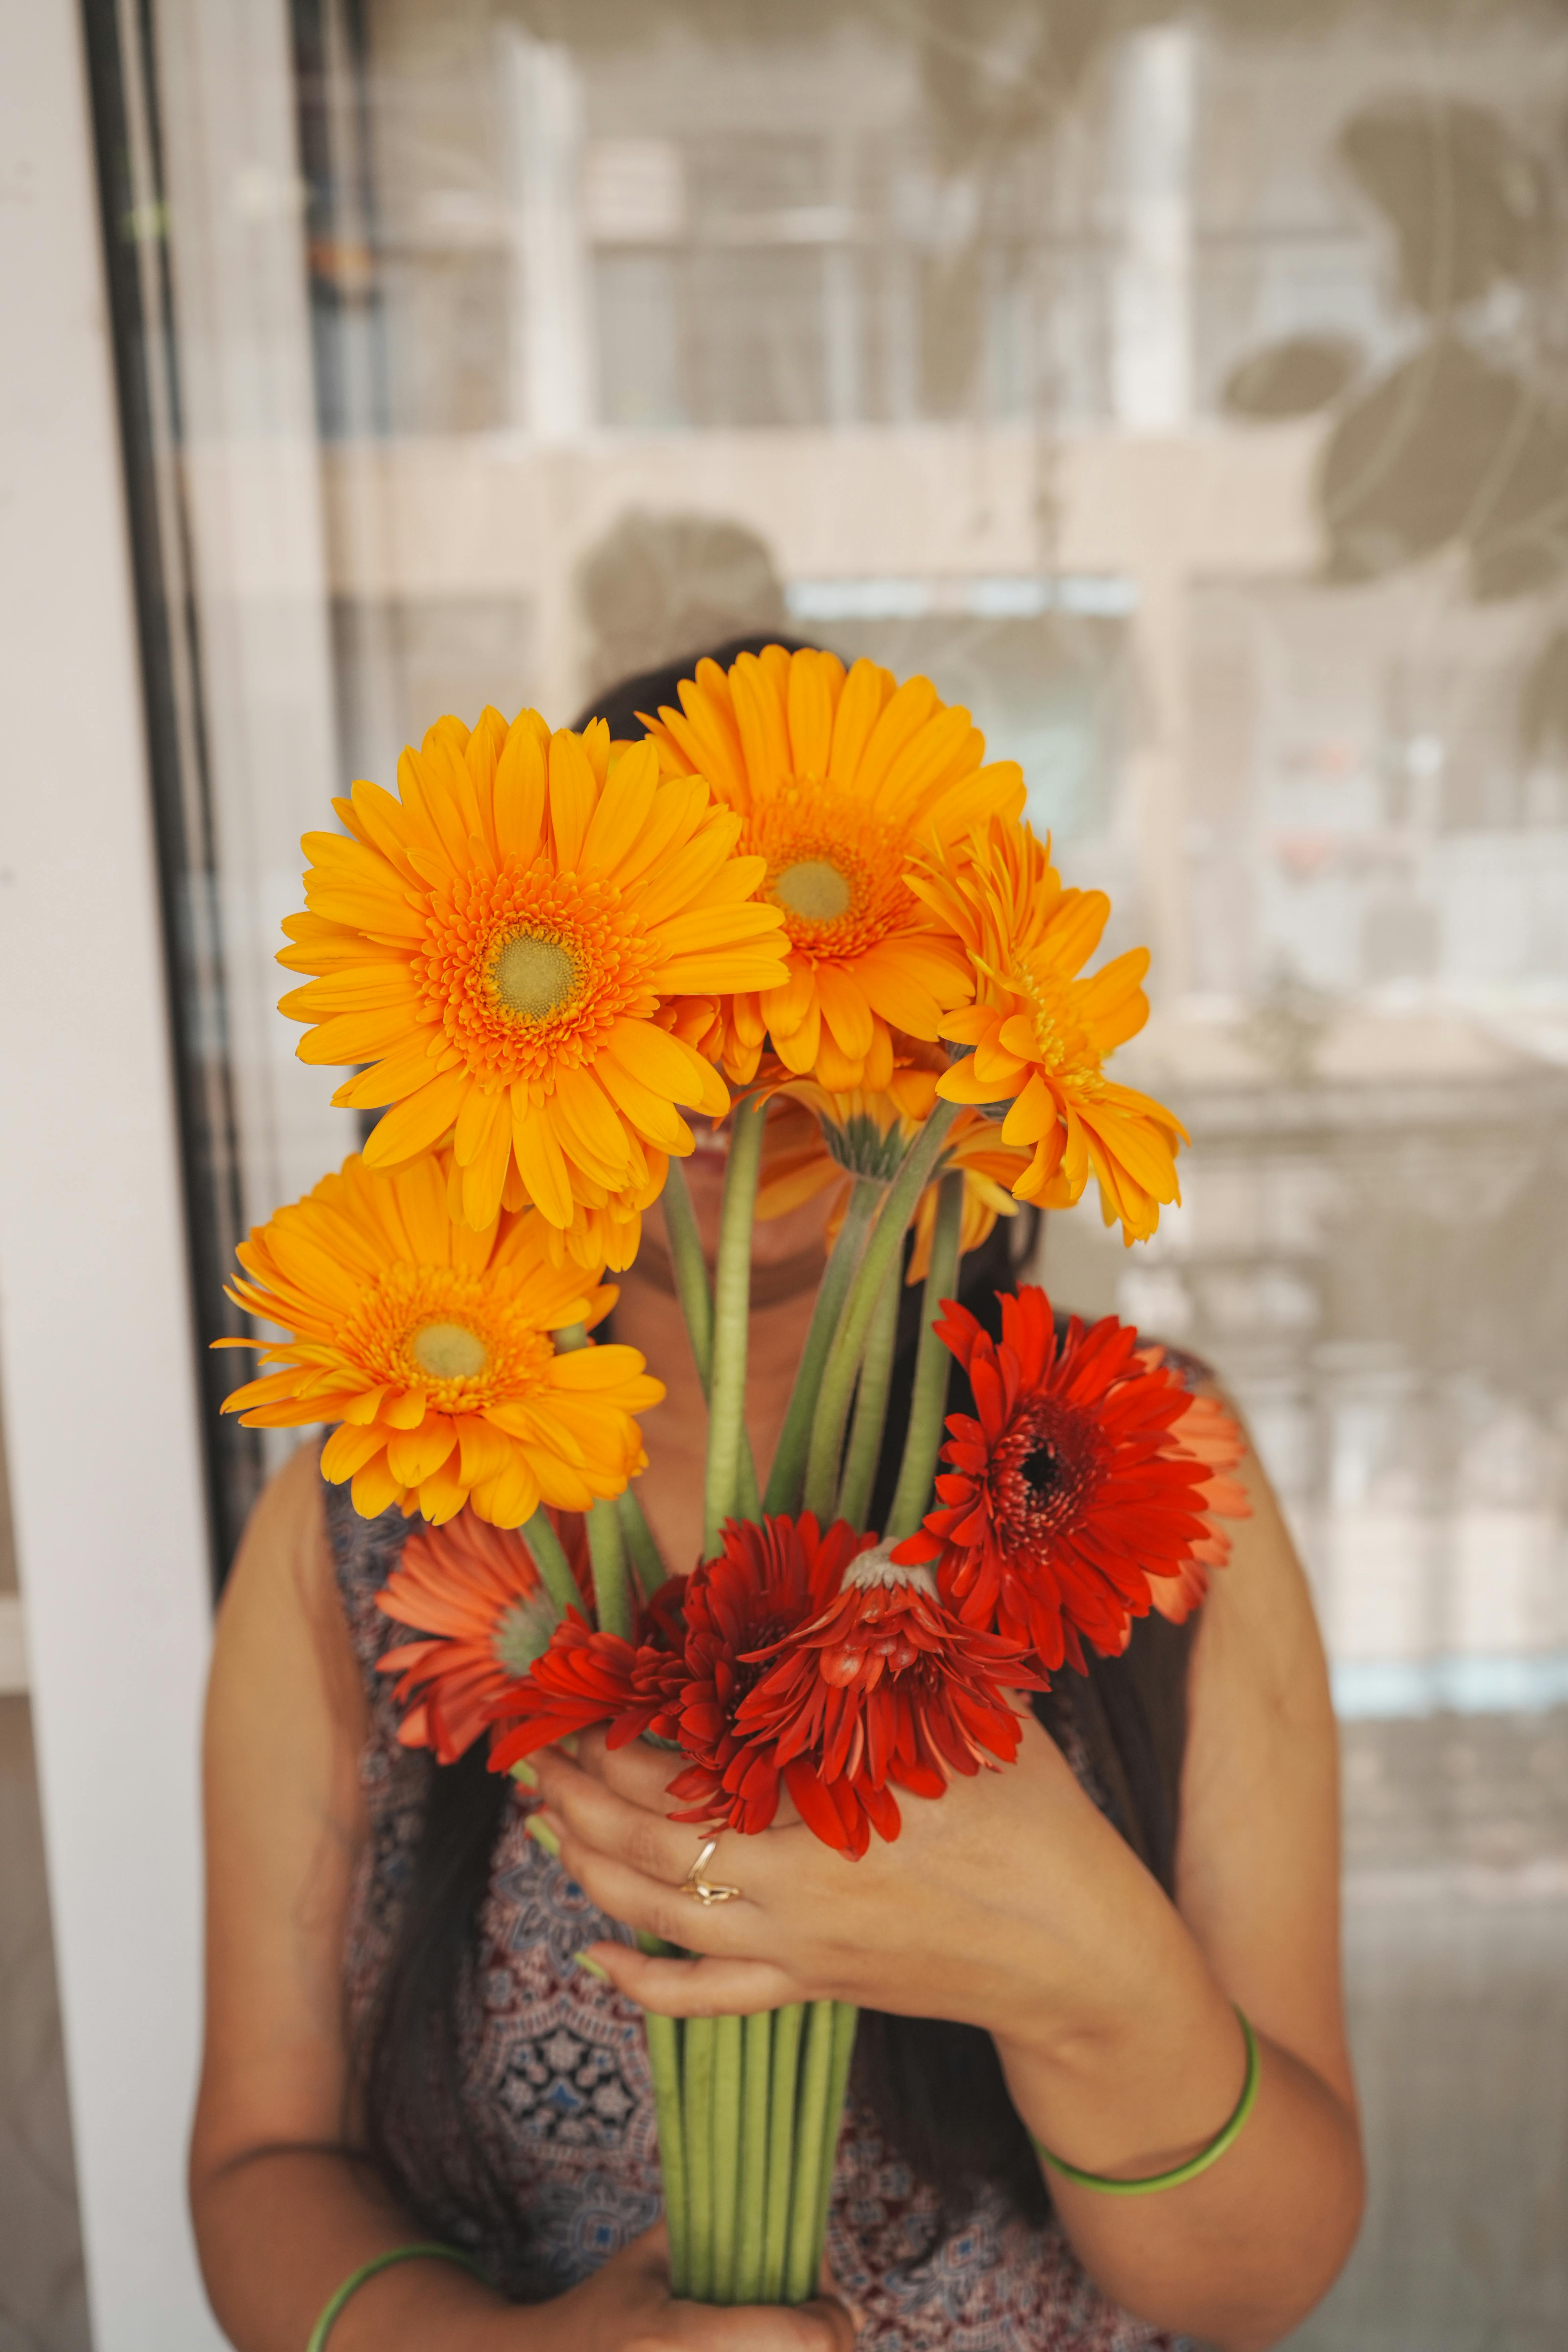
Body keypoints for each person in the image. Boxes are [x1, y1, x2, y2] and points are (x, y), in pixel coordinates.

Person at [190, 643, 1364, 2352]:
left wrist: (1083, 1961)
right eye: (678, 977)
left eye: (814, 964)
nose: (754, 1063)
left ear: (945, 995)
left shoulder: (1147, 1462)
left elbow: (1264, 2278)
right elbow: (256, 2170)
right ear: (549, 1022)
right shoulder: (365, 1521)